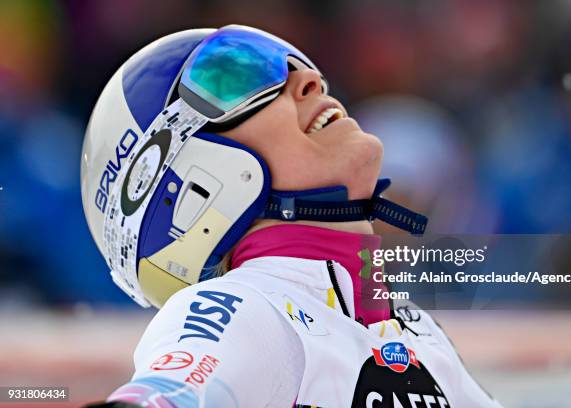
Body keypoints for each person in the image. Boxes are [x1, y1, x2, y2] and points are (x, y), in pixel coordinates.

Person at [81, 25, 501, 408]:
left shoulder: (416, 328)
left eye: (293, 62)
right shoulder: (247, 308)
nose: (309, 79)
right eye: (239, 79)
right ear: (192, 188)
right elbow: (166, 396)